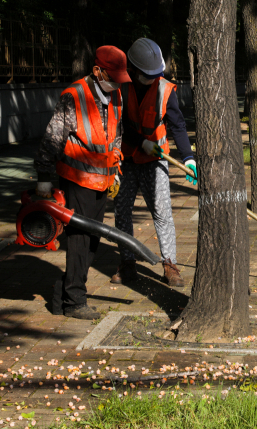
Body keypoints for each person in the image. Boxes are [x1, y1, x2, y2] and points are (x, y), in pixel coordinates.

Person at [34, 46, 131, 320]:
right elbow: (53, 137)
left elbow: (116, 135)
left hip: (103, 180)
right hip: (77, 180)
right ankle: (75, 300)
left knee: (93, 241)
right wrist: (43, 178)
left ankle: (61, 296)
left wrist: (116, 170)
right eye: (113, 76)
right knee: (79, 241)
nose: (117, 83)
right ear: (97, 71)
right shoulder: (73, 95)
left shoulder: (116, 95)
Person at [110, 38, 197, 287]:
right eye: (148, 75)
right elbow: (120, 124)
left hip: (155, 161)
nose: (154, 78)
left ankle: (170, 265)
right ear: (135, 71)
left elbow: (178, 125)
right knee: (122, 212)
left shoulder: (165, 89)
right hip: (126, 158)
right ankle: (127, 265)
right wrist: (140, 141)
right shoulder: (122, 88)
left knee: (162, 213)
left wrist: (189, 158)